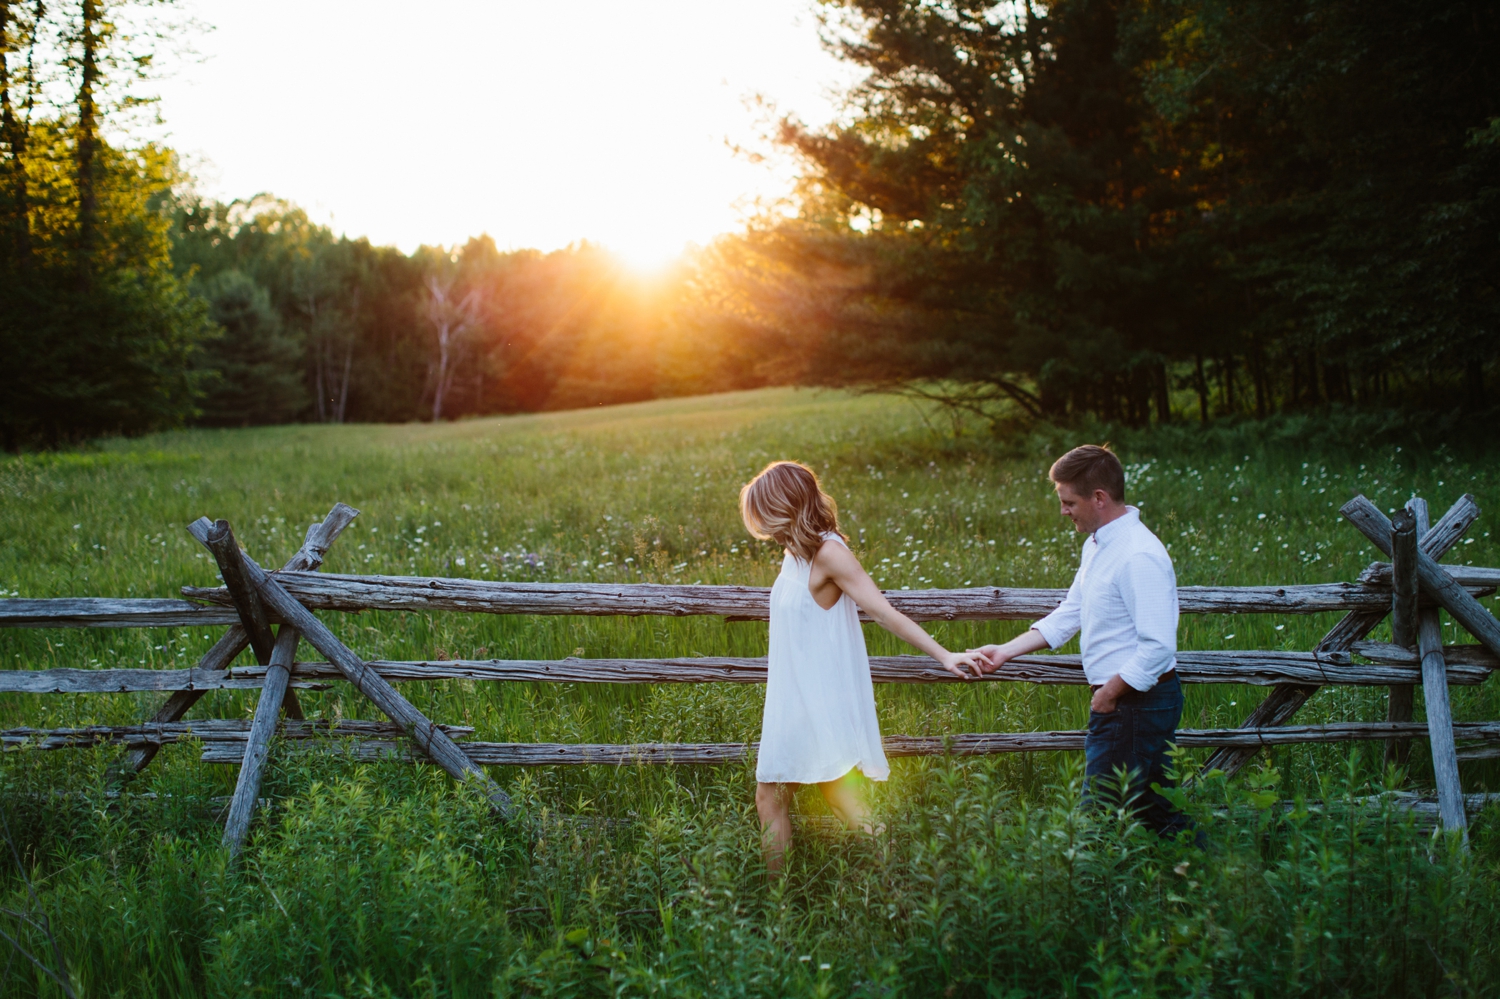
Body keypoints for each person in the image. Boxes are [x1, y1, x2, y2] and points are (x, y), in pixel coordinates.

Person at [740, 460, 982, 873]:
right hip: (795, 696)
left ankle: (781, 905)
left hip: (814, 700)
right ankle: (900, 879)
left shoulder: (830, 554)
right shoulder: (795, 551)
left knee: (774, 796)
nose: (764, 525)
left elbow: (885, 612)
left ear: (786, 505)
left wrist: (944, 655)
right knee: (834, 794)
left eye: (767, 512)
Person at [971, 444, 1191, 838]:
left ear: (1099, 498)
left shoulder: (1138, 555)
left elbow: (1158, 647)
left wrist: (1109, 693)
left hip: (1135, 703)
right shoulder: (1099, 545)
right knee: (1156, 808)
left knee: (1097, 817)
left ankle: (1091, 892)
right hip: (1130, 703)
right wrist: (1005, 651)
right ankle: (1204, 876)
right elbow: (1071, 612)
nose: (1063, 511)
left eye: (1068, 501)